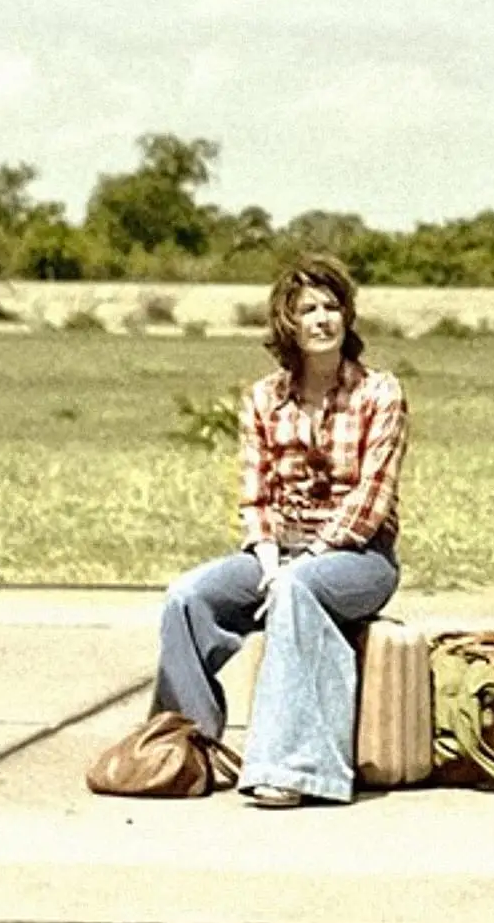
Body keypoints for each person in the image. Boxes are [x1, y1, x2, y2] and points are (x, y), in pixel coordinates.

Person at [148, 253, 405, 808]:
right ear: (286, 323)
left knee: (299, 587)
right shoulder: (263, 398)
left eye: (332, 306)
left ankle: (296, 767)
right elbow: (255, 494)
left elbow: (372, 498)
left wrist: (304, 559)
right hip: (276, 553)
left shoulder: (380, 393)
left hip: (359, 557)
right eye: (307, 308)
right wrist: (267, 561)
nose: (321, 319)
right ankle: (187, 752)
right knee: (188, 598)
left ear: (348, 316)